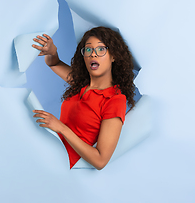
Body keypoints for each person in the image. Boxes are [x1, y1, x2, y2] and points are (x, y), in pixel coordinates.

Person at [31, 26, 135, 170]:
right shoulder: (81, 83)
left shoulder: (115, 100)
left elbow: (100, 160)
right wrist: (52, 52)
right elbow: (53, 63)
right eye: (88, 49)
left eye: (101, 49)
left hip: (64, 168)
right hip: (48, 154)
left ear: (113, 56)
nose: (93, 54)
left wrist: (61, 128)